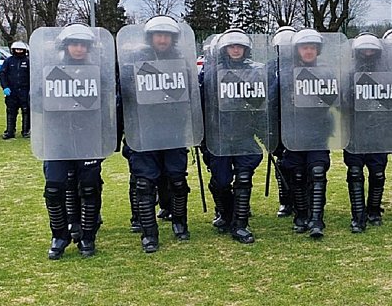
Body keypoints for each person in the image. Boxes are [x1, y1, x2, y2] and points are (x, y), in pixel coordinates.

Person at [30, 23, 115, 259]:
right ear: (65, 46)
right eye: (74, 44)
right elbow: (37, 102)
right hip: (58, 138)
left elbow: (109, 102)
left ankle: (88, 236)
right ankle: (59, 235)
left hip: (88, 138)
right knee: (54, 188)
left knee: (89, 187)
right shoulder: (51, 70)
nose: (78, 48)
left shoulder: (98, 72)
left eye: (83, 45)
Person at [119, 16, 202, 253]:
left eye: (167, 35)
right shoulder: (134, 62)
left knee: (177, 180)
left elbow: (191, 100)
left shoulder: (181, 63)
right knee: (144, 184)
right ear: (151, 37)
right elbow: (123, 98)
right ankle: (149, 233)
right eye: (158, 35)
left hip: (174, 132)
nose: (162, 39)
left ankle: (179, 222)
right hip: (144, 133)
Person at [202, 28, 268, 244]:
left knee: (243, 178)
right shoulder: (211, 74)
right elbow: (204, 106)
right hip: (219, 136)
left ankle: (240, 225)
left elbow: (261, 106)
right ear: (224, 49)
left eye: (239, 46)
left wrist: (264, 134)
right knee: (221, 182)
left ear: (246, 49)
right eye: (232, 46)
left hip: (244, 134)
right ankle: (226, 213)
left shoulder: (255, 72)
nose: (236, 49)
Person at [279, 29, 340, 238]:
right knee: (297, 176)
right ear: (297, 50)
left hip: (318, 132)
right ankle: (301, 215)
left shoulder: (326, 73)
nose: (308, 51)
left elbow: (335, 99)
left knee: (317, 172)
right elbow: (273, 101)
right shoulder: (286, 74)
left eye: (312, 47)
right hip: (294, 133)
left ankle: (316, 219)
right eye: (304, 47)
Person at [342, 33, 392, 231]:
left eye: (371, 50)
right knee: (355, 173)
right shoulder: (348, 75)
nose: (368, 54)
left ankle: (374, 210)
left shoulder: (388, 75)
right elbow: (342, 103)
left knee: (377, 173)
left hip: (379, 132)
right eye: (364, 50)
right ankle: (358, 216)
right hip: (356, 132)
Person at [269, 26, 296, 217]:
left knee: (303, 166)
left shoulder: (304, 65)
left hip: (299, 122)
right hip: (278, 122)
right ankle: (285, 201)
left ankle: (304, 200)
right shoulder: (271, 68)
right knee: (283, 164)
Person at [0, 41, 31, 139]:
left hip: (25, 91)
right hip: (11, 91)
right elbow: (2, 74)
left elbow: (33, 75)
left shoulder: (28, 61)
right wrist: (5, 87)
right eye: (17, 49)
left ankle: (26, 131)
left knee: (26, 111)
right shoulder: (9, 61)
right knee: (11, 111)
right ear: (13, 50)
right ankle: (10, 131)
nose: (19, 51)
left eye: (21, 49)